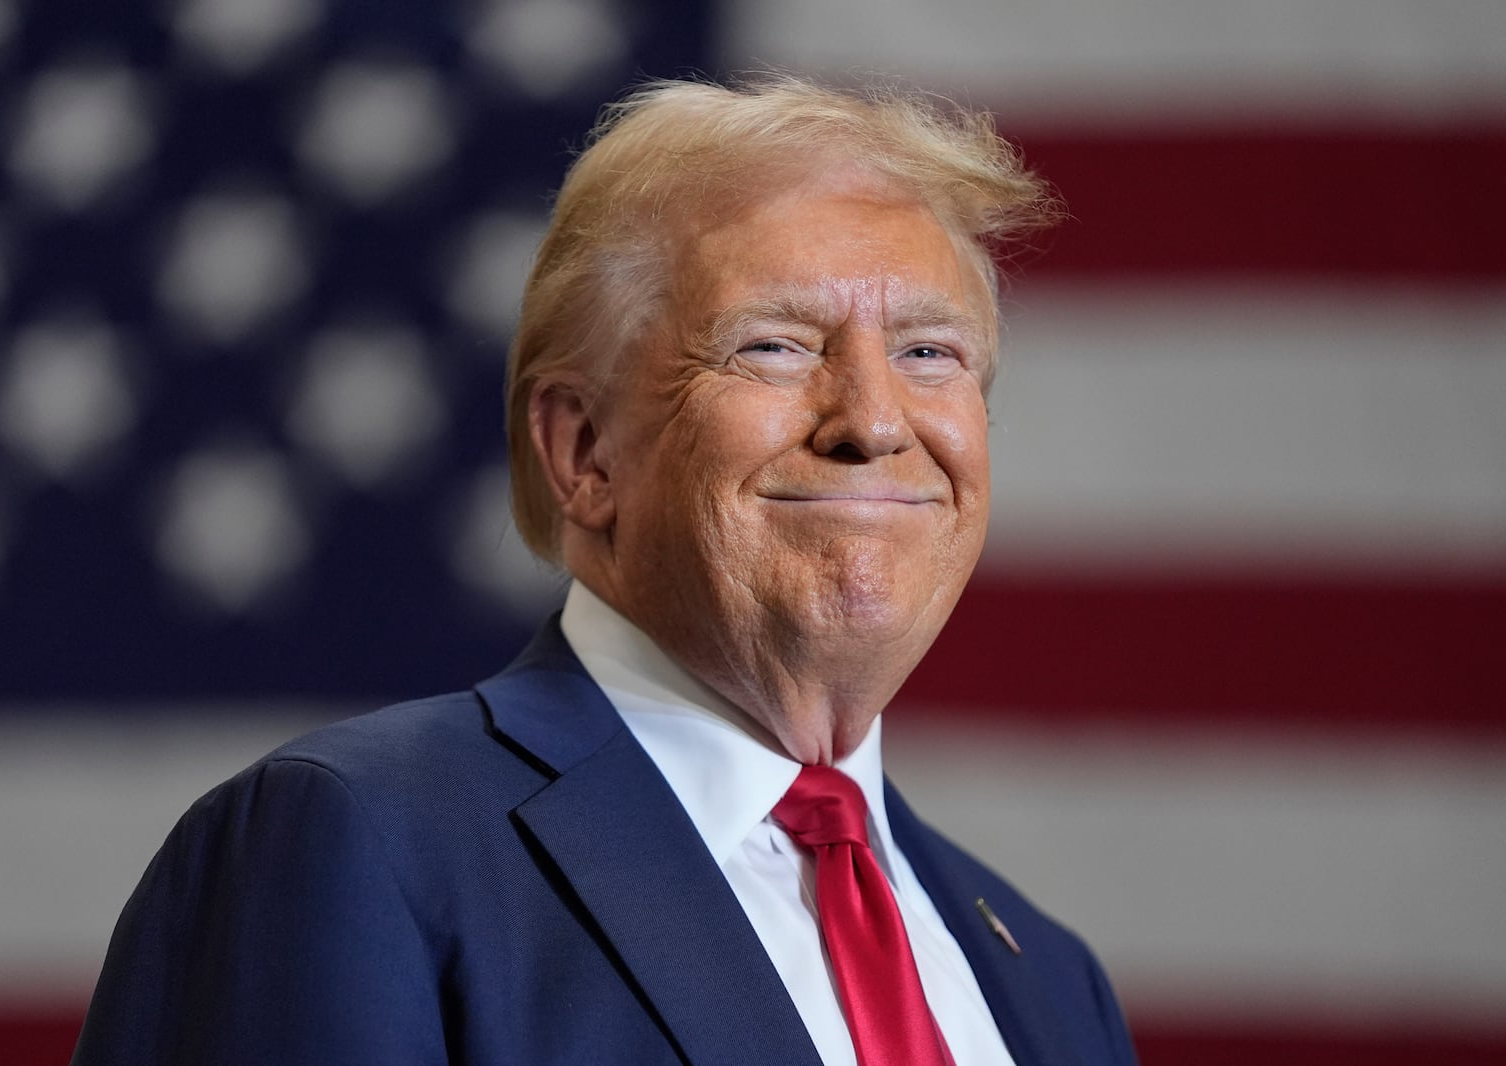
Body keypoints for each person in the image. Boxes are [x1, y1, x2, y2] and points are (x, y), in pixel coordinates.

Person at [72, 74, 1137, 1066]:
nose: (870, 419)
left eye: (928, 353)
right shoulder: (350, 846)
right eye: (773, 345)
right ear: (583, 453)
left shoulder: (1046, 983)